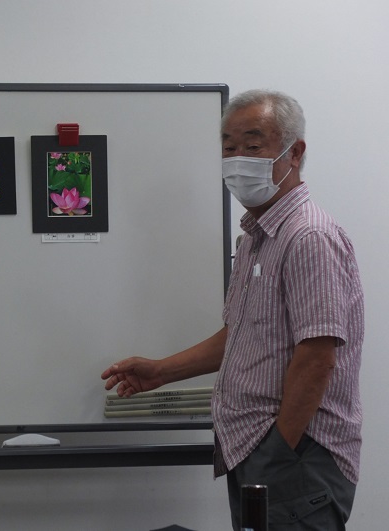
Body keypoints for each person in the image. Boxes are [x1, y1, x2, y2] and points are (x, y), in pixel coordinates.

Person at [101, 89, 363, 530]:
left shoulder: (309, 237)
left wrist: (280, 449)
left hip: (297, 453)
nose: (238, 158)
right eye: (228, 147)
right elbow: (242, 335)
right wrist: (162, 371)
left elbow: (317, 357)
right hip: (255, 447)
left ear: (294, 152)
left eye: (253, 145)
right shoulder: (256, 239)